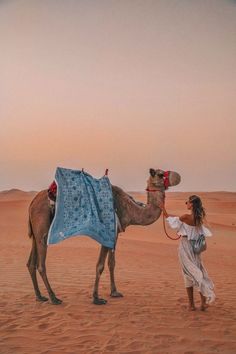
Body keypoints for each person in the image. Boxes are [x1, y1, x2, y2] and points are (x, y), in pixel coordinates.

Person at [160, 195, 215, 311]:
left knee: (188, 274)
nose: (186, 204)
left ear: (192, 204)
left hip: (185, 247)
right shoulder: (199, 218)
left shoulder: (186, 217)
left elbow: (173, 222)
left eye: (187, 202)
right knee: (197, 271)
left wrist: (163, 208)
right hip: (195, 248)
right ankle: (203, 303)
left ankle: (191, 305)